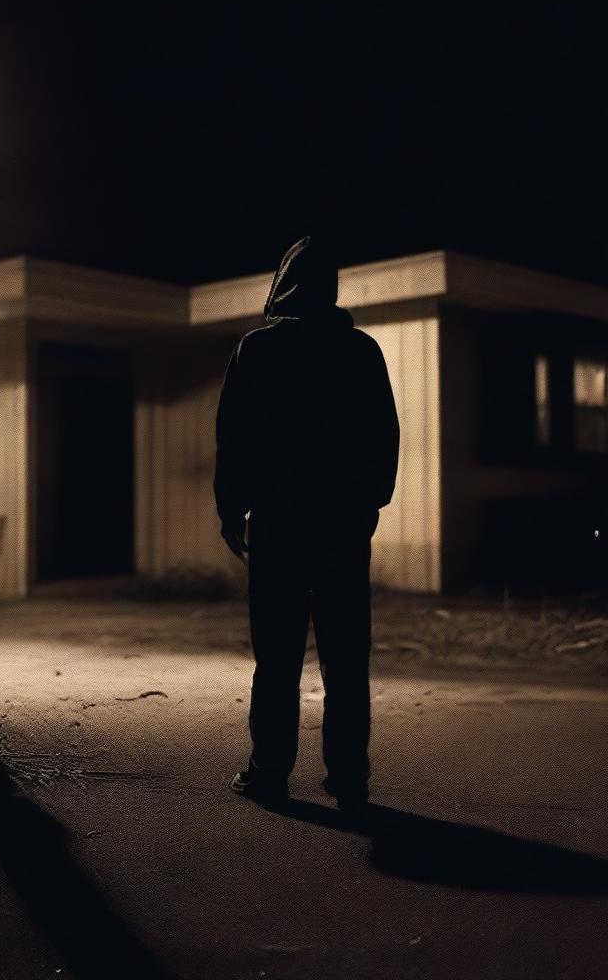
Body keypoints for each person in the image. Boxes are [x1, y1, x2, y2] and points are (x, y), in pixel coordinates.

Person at [214, 235, 400, 821]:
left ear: (282, 286)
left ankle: (270, 771)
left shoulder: (257, 350)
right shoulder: (361, 352)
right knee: (346, 657)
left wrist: (230, 508)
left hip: (277, 525)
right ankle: (349, 780)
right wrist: (369, 505)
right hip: (342, 527)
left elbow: (234, 437)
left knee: (277, 656)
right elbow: (384, 438)